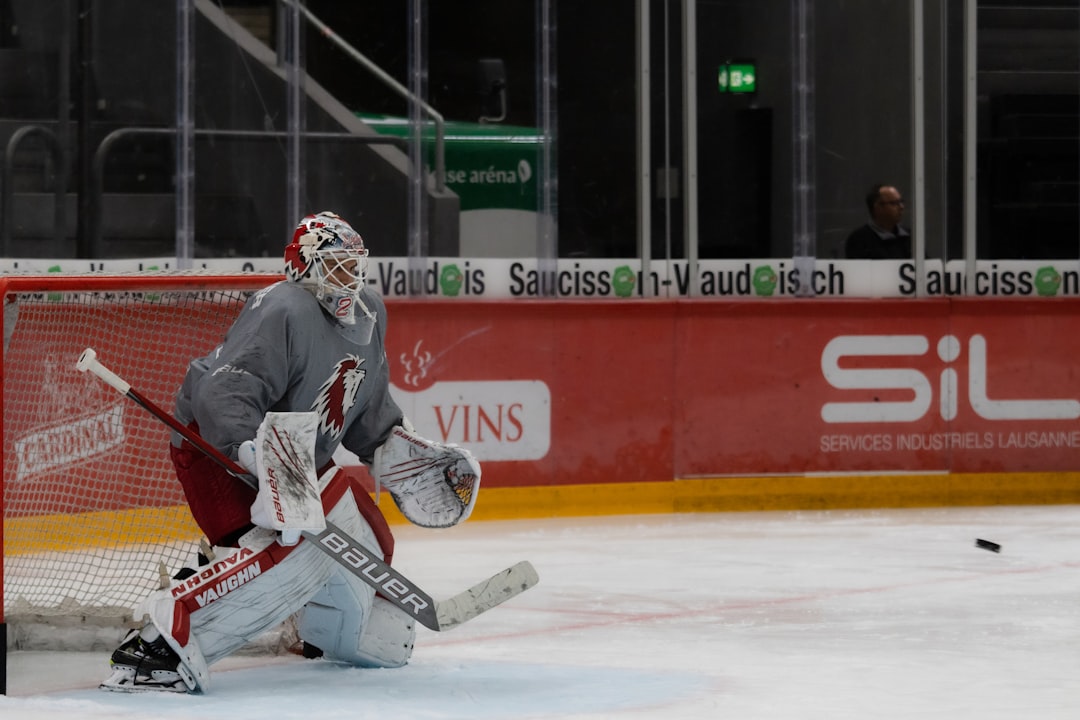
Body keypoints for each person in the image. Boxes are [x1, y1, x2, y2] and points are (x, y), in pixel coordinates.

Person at [100, 211, 481, 694]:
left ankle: (338, 634)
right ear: (303, 265)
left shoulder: (369, 311)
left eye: (354, 265)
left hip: (298, 451)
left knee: (367, 540)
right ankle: (160, 644)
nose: (351, 277)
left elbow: (363, 406)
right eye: (337, 265)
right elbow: (225, 393)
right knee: (292, 547)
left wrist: (393, 447)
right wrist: (251, 454)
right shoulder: (284, 308)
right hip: (218, 447)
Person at [844, 184, 911, 259]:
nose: (901, 207)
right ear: (877, 207)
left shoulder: (910, 236)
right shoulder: (859, 239)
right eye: (894, 203)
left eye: (901, 202)